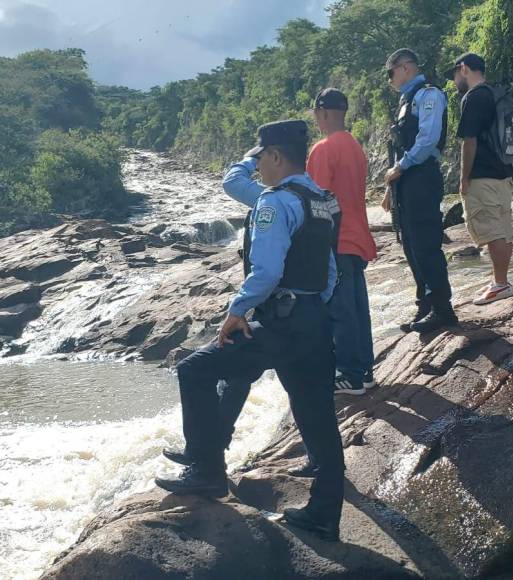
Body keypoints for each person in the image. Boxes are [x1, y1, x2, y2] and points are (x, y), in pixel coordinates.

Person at [155, 120, 345, 542]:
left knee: (195, 369)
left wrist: (236, 310)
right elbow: (331, 270)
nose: (258, 167)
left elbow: (267, 270)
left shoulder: (274, 203)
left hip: (279, 322)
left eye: (260, 158)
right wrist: (314, 305)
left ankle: (205, 470)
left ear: (276, 156)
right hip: (314, 319)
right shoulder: (322, 200)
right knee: (317, 415)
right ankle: (324, 514)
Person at [308, 88, 378, 396]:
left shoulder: (323, 149)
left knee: (340, 310)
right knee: (357, 306)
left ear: (321, 114)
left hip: (336, 239)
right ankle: (364, 371)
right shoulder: (354, 145)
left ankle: (349, 373)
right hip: (357, 236)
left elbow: (317, 200)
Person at [382, 48, 457, 334]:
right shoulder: (406, 100)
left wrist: (400, 168)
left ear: (405, 68)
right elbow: (399, 146)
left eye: (390, 73)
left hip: (421, 176)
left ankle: (442, 308)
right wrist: (392, 185)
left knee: (425, 245)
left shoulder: (429, 94)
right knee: (411, 245)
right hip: (405, 180)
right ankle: (425, 305)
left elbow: (427, 140)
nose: (390, 80)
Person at [445, 52, 513, 305]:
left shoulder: (473, 97)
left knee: (491, 228)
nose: (454, 82)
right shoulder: (495, 93)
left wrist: (464, 178)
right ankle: (501, 280)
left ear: (463, 68)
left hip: (483, 173)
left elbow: (469, 140)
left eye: (454, 75)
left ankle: (500, 284)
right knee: (503, 229)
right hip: (503, 172)